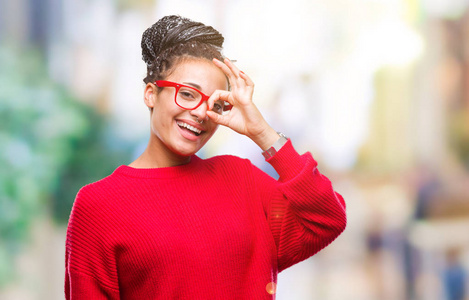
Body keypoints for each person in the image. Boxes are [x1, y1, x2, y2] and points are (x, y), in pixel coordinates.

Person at [64, 15, 347, 299]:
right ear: (151, 94)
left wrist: (261, 131)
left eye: (215, 104)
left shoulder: (241, 179)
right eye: (187, 94)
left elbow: (327, 219)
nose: (200, 113)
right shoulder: (99, 205)